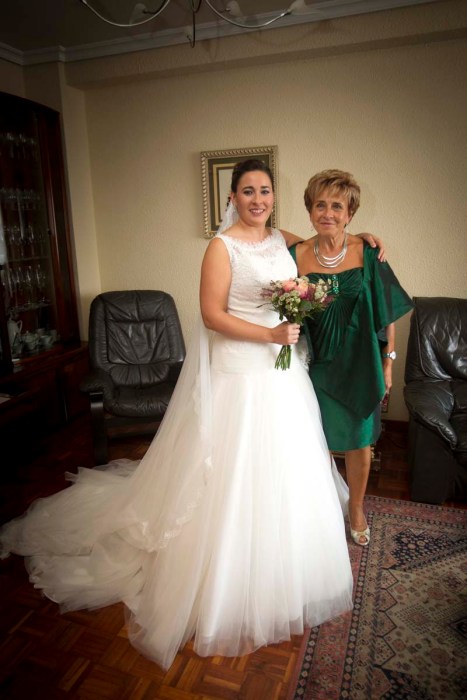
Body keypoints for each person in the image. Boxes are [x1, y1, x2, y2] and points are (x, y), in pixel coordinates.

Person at [1, 159, 356, 671]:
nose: (257, 199)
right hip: (240, 369)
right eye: (248, 191)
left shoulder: (284, 240)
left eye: (265, 191)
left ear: (274, 197)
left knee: (284, 467)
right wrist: (270, 334)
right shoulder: (222, 247)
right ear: (232, 197)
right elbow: (212, 316)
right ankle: (224, 576)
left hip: (281, 374)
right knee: (232, 471)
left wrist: (361, 237)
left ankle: (286, 567)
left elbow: (326, 249)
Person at [289, 169, 413, 546]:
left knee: (359, 442)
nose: (327, 213)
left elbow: (386, 311)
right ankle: (323, 505)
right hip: (316, 365)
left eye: (337, 206)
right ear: (310, 210)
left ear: (350, 214)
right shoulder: (295, 254)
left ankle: (356, 507)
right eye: (320, 205)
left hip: (361, 363)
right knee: (316, 440)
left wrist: (389, 362)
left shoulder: (368, 252)